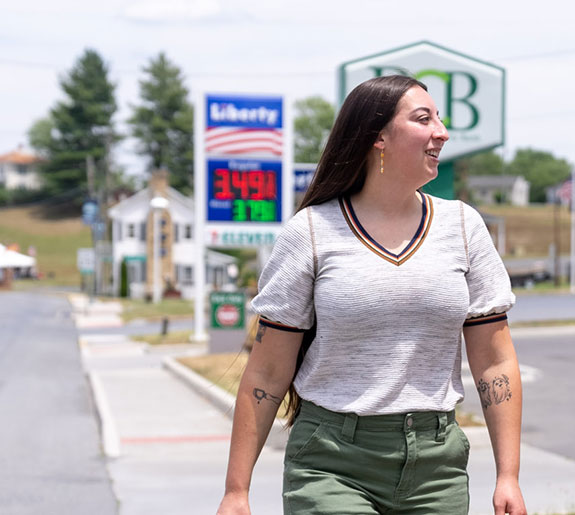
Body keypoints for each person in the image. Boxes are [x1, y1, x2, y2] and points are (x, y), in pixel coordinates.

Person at [216, 75, 528, 515]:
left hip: (437, 469)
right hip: (331, 465)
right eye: (424, 119)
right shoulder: (310, 232)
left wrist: (508, 475)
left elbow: (495, 360)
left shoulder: (463, 226)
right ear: (377, 138)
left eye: (440, 118)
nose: (442, 131)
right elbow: (267, 372)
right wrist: (236, 490)